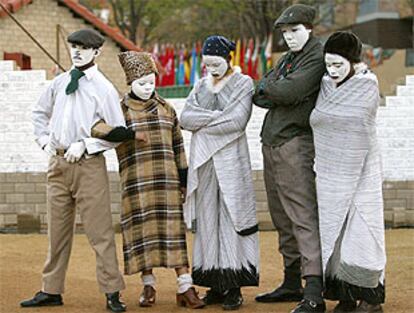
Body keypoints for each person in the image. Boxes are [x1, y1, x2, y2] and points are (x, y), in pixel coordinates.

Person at [90, 51, 205, 309]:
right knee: (142, 235)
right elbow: (95, 127)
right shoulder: (119, 110)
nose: (147, 87)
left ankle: (185, 287)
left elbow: (179, 147)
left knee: (174, 234)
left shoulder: (167, 108)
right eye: (142, 83)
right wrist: (127, 134)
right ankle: (148, 286)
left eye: (151, 82)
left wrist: (184, 180)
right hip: (136, 184)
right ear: (130, 83)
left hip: (167, 182)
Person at [21, 29, 126, 312]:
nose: (77, 51)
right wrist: (44, 142)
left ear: (97, 52)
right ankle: (51, 290)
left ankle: (112, 292)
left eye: (84, 47)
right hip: (57, 165)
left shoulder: (104, 89)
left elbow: (117, 131)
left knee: (100, 232)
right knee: (57, 233)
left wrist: (86, 144)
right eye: (74, 46)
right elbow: (39, 113)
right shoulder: (60, 82)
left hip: (88, 167)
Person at [252, 4, 326, 313]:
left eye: (294, 31)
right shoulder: (289, 58)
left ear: (309, 28)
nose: (289, 37)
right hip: (273, 143)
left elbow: (291, 91)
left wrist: (274, 88)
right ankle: (292, 281)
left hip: (295, 143)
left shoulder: (315, 55)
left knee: (302, 215)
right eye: (285, 33)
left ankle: (314, 290)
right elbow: (258, 93)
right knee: (281, 215)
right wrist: (273, 88)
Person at [180, 35, 260, 311]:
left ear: (228, 59)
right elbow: (185, 118)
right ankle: (213, 283)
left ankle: (234, 286)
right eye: (207, 64)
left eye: (216, 63)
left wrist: (203, 124)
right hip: (204, 165)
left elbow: (237, 121)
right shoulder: (201, 85)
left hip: (231, 161)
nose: (211, 69)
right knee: (208, 221)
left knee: (231, 219)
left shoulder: (243, 83)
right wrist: (216, 118)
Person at [310, 31, 386, 313]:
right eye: (329, 64)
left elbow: (356, 121)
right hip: (330, 174)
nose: (332, 70)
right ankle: (345, 294)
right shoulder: (326, 84)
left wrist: (329, 119)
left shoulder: (367, 84)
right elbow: (320, 118)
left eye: (339, 65)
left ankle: (370, 297)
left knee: (362, 232)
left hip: (361, 171)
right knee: (336, 233)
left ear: (354, 62)